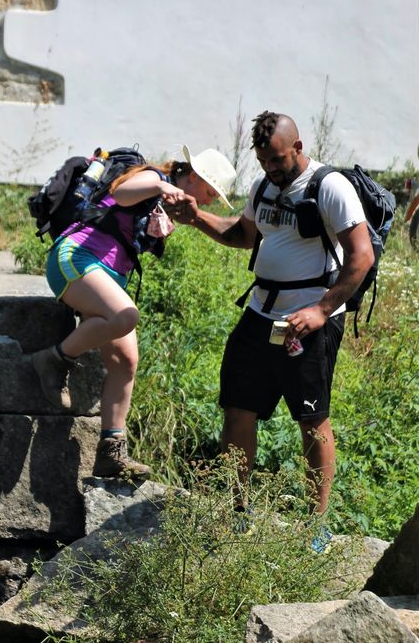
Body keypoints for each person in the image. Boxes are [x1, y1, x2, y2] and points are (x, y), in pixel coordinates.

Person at [173, 112, 374, 549]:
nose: (272, 168)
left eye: (279, 159)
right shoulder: (263, 187)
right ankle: (238, 512)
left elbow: (361, 257)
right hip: (260, 315)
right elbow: (243, 234)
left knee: (311, 419)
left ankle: (315, 527)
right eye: (264, 161)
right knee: (238, 410)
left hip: (309, 322)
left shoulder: (330, 186)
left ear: (298, 147)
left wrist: (321, 310)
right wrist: (196, 218)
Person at [31, 146, 237, 479]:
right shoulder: (154, 176)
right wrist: (161, 186)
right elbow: (121, 193)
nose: (212, 200)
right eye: (212, 192)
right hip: (76, 259)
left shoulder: (170, 201)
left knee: (126, 361)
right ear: (196, 177)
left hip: (107, 275)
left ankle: (111, 452)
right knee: (126, 316)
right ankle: (54, 359)